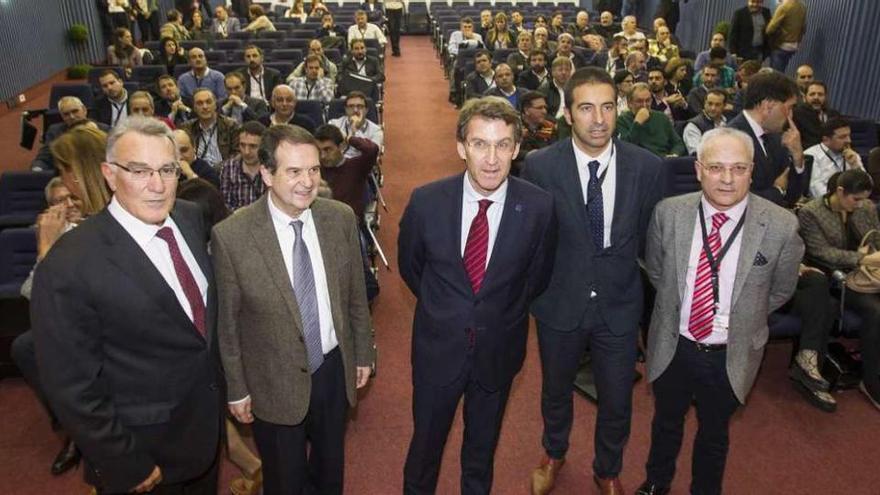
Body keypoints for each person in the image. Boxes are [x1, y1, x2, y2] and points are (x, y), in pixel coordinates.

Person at [32, 116, 223, 494]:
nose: (157, 185)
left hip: (203, 437)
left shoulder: (188, 217)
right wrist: (122, 461)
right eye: (139, 170)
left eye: (167, 169)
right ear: (109, 174)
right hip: (141, 457)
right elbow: (71, 386)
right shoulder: (68, 263)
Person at [399, 96, 555, 495]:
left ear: (517, 149)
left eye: (503, 145)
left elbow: (535, 279)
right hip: (438, 350)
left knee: (481, 454)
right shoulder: (426, 202)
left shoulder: (538, 207)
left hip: (498, 352)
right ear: (460, 147)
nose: (491, 158)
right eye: (480, 144)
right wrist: (450, 308)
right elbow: (412, 269)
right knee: (424, 452)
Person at [637, 127, 804, 495]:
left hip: (732, 351)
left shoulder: (781, 225)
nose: (727, 179)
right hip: (674, 345)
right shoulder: (668, 213)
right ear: (698, 169)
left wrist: (739, 314)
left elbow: (780, 291)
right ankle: (655, 482)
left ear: (752, 170)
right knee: (666, 422)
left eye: (738, 168)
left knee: (714, 433)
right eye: (715, 168)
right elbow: (657, 271)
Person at [522, 67, 663, 495]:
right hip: (559, 301)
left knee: (619, 398)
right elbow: (534, 240)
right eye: (586, 108)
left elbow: (649, 241)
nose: (599, 118)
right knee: (555, 389)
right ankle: (554, 451)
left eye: (607, 106)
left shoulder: (648, 167)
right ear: (567, 113)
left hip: (620, 303)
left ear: (619, 109)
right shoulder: (540, 165)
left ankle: (608, 468)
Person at [213, 123, 374, 495]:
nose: (307, 182)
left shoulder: (339, 218)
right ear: (267, 173)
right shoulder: (232, 236)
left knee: (330, 472)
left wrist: (363, 353)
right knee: (285, 481)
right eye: (294, 171)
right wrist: (236, 389)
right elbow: (229, 324)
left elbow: (354, 296)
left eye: (314, 170)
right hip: (273, 379)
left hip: (333, 370)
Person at [13, 127, 111, 480]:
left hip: (107, 353)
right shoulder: (70, 228)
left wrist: (46, 253)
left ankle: (81, 431)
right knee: (27, 346)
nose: (65, 187)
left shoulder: (106, 229)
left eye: (65, 170)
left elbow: (54, 305)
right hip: (81, 342)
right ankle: (73, 428)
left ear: (82, 172)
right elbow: (30, 294)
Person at [798, 169, 880, 411]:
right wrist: (861, 259)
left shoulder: (866, 208)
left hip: (870, 275)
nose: (861, 204)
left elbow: (877, 239)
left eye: (865, 198)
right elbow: (820, 252)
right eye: (856, 199)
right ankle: (872, 381)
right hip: (839, 279)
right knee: (875, 312)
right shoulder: (811, 212)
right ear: (840, 192)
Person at [726, 71, 807, 207]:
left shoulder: (776, 138)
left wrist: (798, 158)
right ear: (768, 106)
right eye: (789, 108)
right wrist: (777, 190)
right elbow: (732, 200)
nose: (791, 116)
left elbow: (791, 197)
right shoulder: (728, 140)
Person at [314, 124, 379, 220]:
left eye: (328, 150)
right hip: (320, 223)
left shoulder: (356, 166)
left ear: (341, 147)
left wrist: (349, 138)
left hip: (350, 225)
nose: (322, 156)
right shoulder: (315, 169)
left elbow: (372, 150)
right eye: (319, 151)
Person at [31, 97, 109, 172]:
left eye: (75, 111)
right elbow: (45, 157)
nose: (72, 116)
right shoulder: (55, 131)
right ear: (62, 116)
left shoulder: (104, 129)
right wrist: (37, 169)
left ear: (84, 110)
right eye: (66, 114)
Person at [618, 82, 686, 157]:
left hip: (664, 160)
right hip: (639, 162)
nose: (644, 105)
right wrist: (637, 123)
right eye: (639, 101)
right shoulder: (622, 120)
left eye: (647, 100)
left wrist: (674, 154)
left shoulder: (661, 117)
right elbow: (624, 149)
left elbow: (678, 143)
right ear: (629, 103)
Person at [180, 88, 242, 167]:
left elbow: (237, 155)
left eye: (208, 102)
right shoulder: (186, 128)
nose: (205, 107)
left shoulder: (231, 125)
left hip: (223, 172)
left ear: (215, 105)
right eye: (199, 103)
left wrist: (217, 169)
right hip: (196, 173)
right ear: (194, 108)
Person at [805, 118, 864, 198]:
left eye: (848, 135)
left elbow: (866, 186)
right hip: (824, 202)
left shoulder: (852, 155)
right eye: (842, 137)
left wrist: (855, 165)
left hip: (851, 201)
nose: (849, 140)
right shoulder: (811, 155)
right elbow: (816, 190)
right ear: (826, 140)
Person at [218, 121, 267, 211]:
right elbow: (225, 204)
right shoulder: (229, 168)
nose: (246, 151)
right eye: (242, 145)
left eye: (253, 146)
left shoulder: (271, 169)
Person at [327, 90, 384, 158]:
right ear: (346, 109)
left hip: (363, 166)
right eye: (351, 106)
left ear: (366, 110)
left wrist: (355, 130)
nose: (355, 110)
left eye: (359, 106)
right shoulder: (334, 124)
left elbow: (373, 153)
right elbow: (329, 151)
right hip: (338, 165)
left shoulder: (376, 130)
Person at [514, 91, 558, 173]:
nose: (544, 111)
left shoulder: (550, 126)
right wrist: (528, 154)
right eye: (539, 108)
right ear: (526, 110)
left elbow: (557, 148)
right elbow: (509, 150)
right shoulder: (514, 127)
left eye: (545, 107)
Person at [793, 81, 841, 149]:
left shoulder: (834, 114)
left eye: (820, 94)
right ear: (805, 97)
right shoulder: (796, 114)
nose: (816, 97)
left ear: (825, 97)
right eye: (812, 94)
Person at [766, 0, 807, 73]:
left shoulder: (783, 7)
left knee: (775, 74)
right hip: (793, 45)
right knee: (782, 70)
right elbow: (803, 28)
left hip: (781, 45)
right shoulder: (802, 7)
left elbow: (771, 28)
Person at [683, 89, 727, 155]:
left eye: (717, 105)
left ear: (724, 106)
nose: (713, 108)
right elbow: (697, 153)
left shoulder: (730, 122)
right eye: (710, 104)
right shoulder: (694, 126)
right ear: (704, 104)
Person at [541, 56, 572, 120]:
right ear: (553, 72)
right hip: (553, 122)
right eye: (560, 70)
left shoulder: (575, 88)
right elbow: (541, 112)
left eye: (567, 70)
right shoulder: (544, 90)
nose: (564, 73)